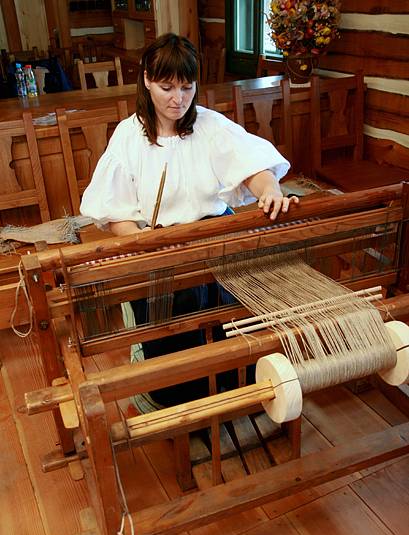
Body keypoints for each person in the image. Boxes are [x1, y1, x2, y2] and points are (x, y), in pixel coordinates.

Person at [80, 33, 299, 409]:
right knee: (176, 320)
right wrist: (145, 245)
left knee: (234, 314)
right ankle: (181, 403)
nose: (178, 99)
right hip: (161, 247)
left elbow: (251, 166)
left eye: (187, 87)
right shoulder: (129, 137)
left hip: (215, 237)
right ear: (147, 79)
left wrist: (269, 189)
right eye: (166, 87)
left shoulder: (210, 126)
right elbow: (114, 211)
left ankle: (235, 394)